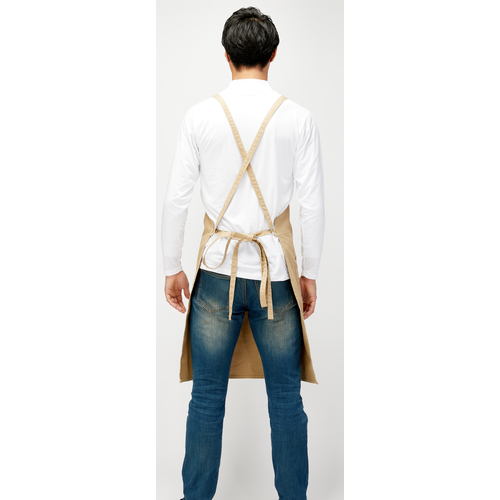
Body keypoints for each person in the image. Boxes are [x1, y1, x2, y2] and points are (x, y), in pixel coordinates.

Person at [161, 7, 325, 500]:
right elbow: (312, 204)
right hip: (277, 278)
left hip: (214, 274)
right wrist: (309, 273)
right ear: (273, 54)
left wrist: (172, 267)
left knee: (207, 399)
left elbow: (176, 200)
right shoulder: (298, 118)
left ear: (226, 55)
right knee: (286, 401)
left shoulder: (200, 116)